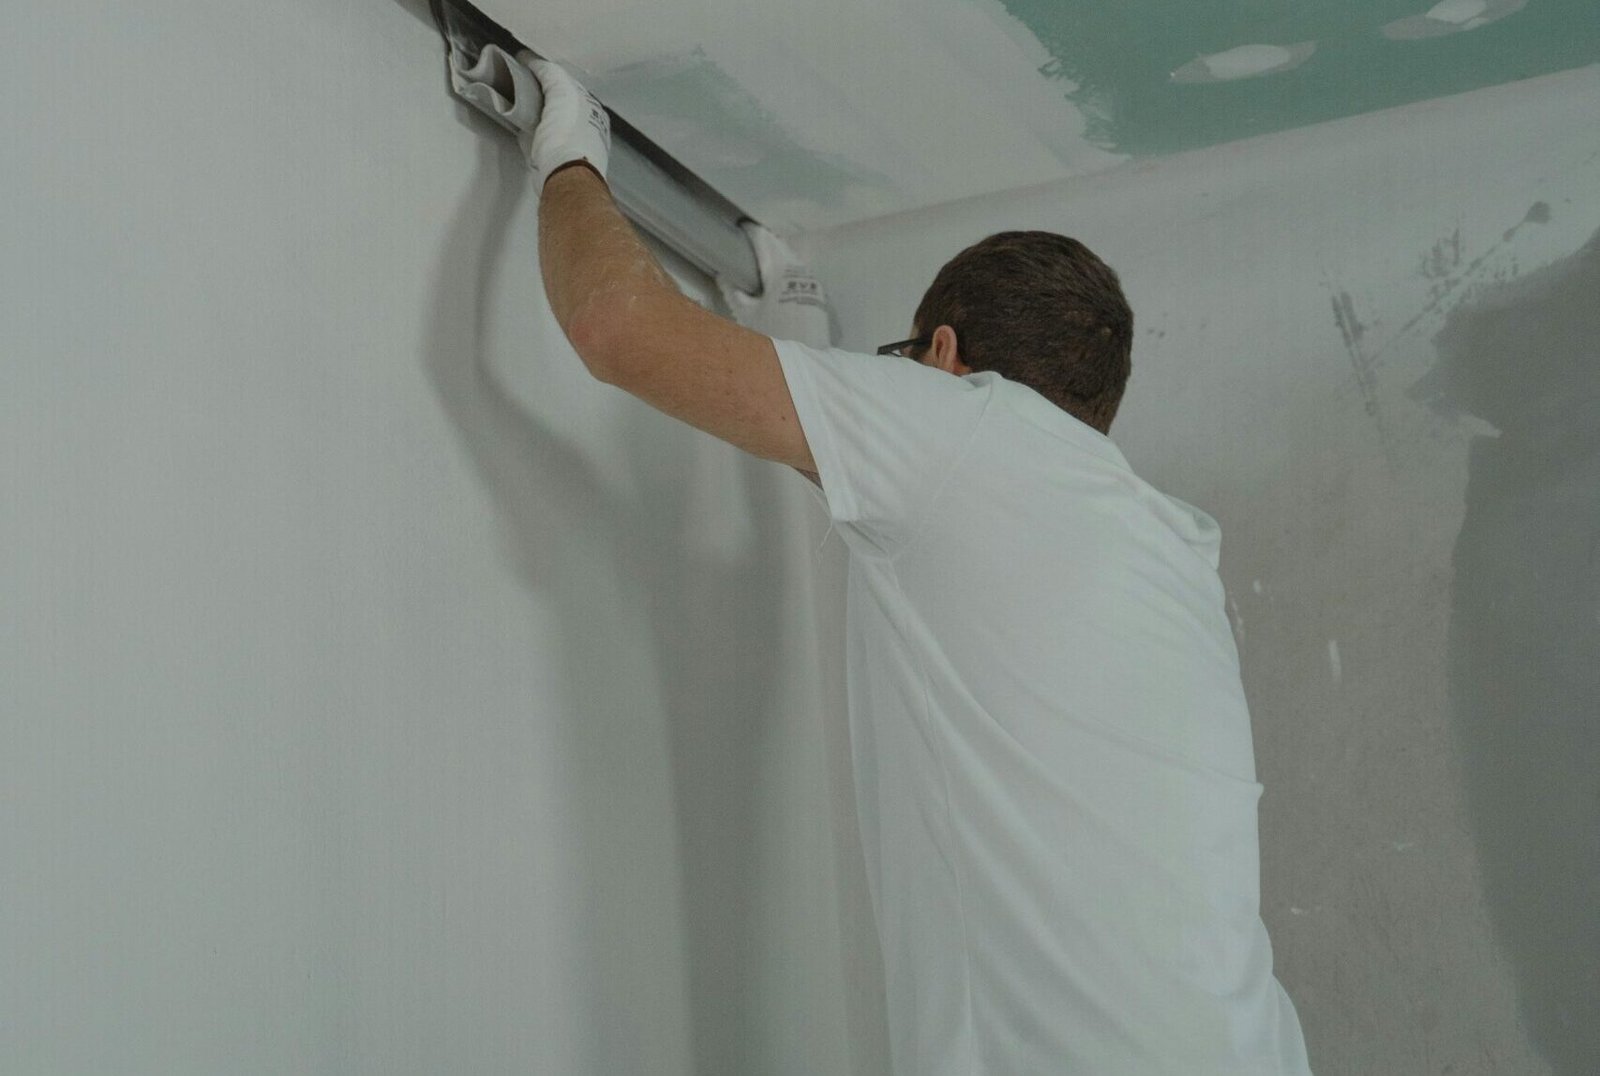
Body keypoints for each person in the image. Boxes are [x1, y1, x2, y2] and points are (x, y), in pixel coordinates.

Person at [521, 56, 1314, 1075]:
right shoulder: (1158, 540)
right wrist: (789, 327)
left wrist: (568, 157)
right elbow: (875, 492)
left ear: (943, 353)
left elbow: (616, 328)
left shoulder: (966, 429)